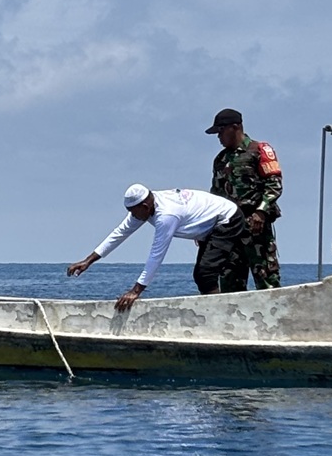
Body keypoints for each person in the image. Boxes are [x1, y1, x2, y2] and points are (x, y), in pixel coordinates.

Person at [67, 185, 246, 311]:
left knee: (205, 273)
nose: (132, 216)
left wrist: (136, 291)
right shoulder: (147, 207)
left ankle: (218, 313)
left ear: (145, 206)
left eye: (133, 212)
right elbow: (120, 233)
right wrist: (88, 261)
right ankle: (216, 309)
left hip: (227, 219)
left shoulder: (166, 215)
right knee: (203, 275)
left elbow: (157, 254)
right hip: (208, 225)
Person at [206, 108, 282, 290]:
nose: (219, 137)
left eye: (221, 131)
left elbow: (274, 184)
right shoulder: (220, 159)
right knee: (229, 283)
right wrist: (207, 226)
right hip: (229, 229)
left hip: (256, 227)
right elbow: (215, 196)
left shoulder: (259, 151)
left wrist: (261, 211)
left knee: (267, 281)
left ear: (235, 127)